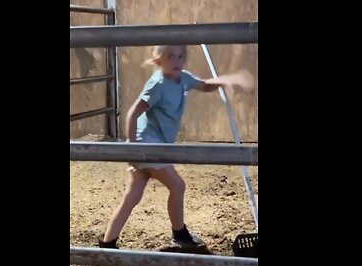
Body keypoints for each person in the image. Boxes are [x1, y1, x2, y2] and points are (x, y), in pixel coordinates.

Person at [99, 45, 254, 249]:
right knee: (177, 185)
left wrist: (226, 80)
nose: (176, 61)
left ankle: (108, 242)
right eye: (170, 56)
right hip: (147, 144)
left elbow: (205, 85)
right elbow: (133, 113)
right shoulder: (157, 83)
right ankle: (179, 235)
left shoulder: (183, 78)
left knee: (132, 197)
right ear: (158, 60)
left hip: (152, 146)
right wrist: (133, 149)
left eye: (181, 56)